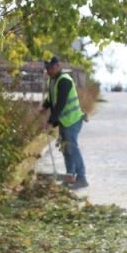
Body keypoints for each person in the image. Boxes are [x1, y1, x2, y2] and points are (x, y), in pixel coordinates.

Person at [41, 56, 88, 189]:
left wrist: (50, 122)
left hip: (73, 120)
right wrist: (44, 106)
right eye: (47, 68)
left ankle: (82, 178)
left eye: (51, 67)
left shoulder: (65, 81)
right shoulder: (52, 80)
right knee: (66, 149)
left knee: (72, 148)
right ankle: (70, 177)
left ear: (58, 66)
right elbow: (51, 98)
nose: (49, 70)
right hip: (64, 121)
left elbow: (60, 104)